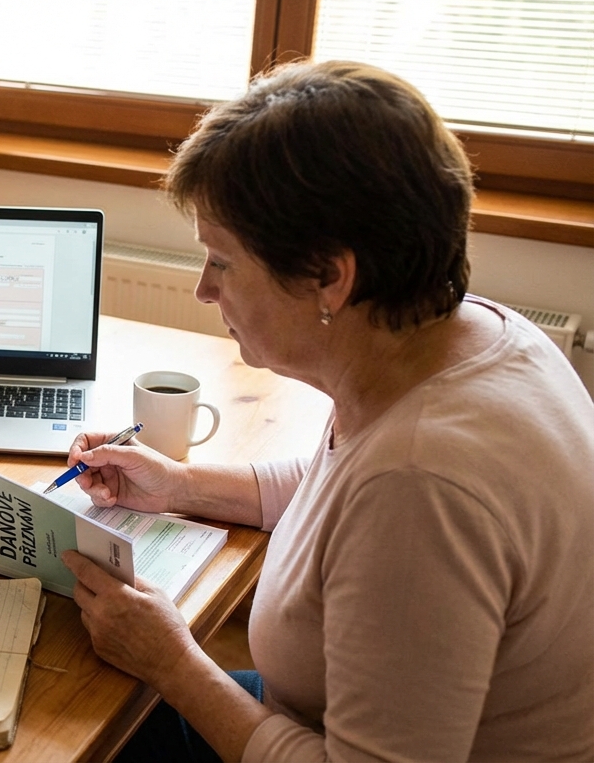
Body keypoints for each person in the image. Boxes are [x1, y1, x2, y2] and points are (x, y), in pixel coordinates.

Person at [61, 60, 594, 761]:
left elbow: (385, 500)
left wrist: (175, 665)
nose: (202, 290)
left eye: (221, 262)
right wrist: (181, 485)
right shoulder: (467, 334)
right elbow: (334, 490)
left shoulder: (421, 484)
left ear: (328, 278)